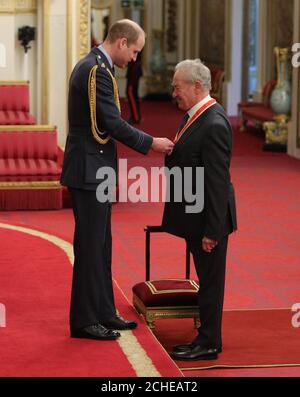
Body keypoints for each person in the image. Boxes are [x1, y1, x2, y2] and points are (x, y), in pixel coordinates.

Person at [61, 19, 174, 341]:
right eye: (135, 51)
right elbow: (111, 122)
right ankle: (84, 320)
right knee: (90, 247)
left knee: (101, 245)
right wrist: (150, 142)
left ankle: (104, 311)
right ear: (122, 42)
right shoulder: (95, 70)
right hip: (88, 169)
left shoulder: (98, 66)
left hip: (95, 167)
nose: (135, 59)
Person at [162, 59, 237, 360]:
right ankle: (204, 336)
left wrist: (212, 231)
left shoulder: (214, 123)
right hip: (196, 216)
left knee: (210, 283)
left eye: (177, 87)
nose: (173, 93)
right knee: (206, 281)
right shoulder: (195, 116)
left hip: (209, 222)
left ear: (196, 86)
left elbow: (218, 184)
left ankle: (209, 343)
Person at [126, 51, 143, 124]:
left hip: (134, 70)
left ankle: (136, 117)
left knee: (131, 93)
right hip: (134, 69)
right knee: (132, 93)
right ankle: (136, 116)